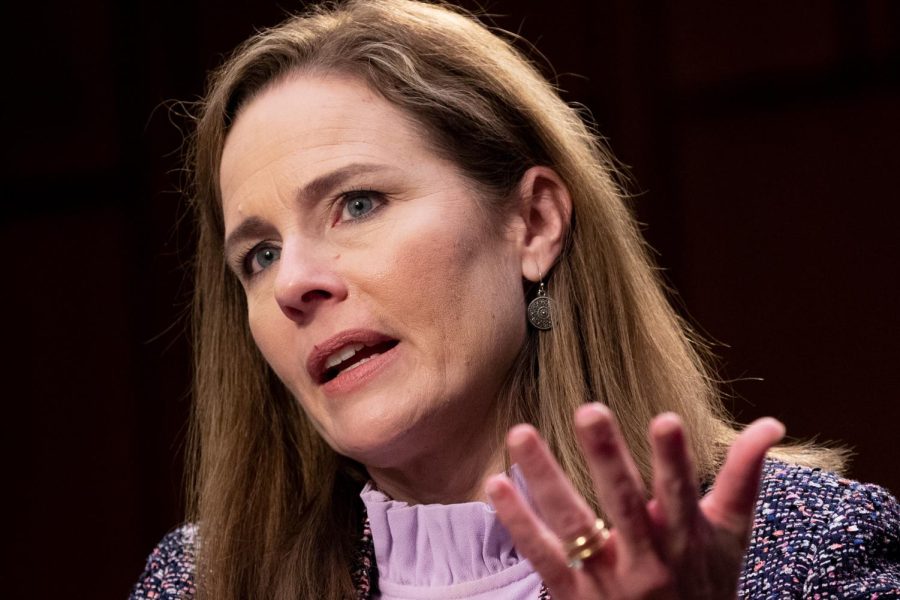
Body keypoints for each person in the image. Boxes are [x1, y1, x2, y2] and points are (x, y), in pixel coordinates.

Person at [130, 1, 900, 598]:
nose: (295, 283)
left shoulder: (802, 548)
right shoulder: (200, 584)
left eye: (357, 204)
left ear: (532, 223)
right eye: (259, 255)